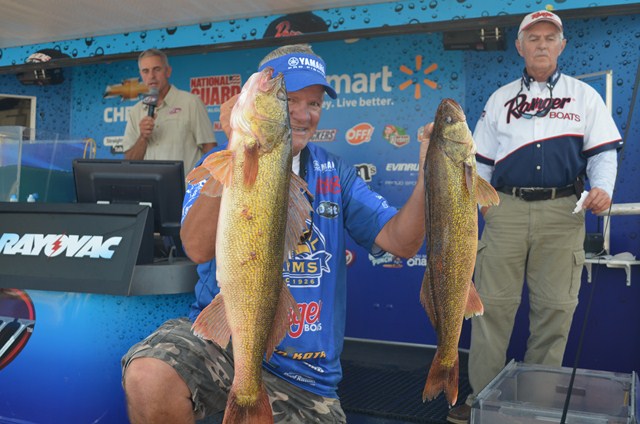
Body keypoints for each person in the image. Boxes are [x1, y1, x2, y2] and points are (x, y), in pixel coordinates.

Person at [121, 43, 431, 424]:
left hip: (307, 379)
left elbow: (402, 242)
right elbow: (197, 248)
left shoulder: (336, 174)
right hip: (222, 343)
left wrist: (428, 176)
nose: (303, 114)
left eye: (314, 103)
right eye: (290, 99)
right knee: (148, 377)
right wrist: (236, 150)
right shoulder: (218, 163)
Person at [447, 10, 623, 424]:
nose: (541, 44)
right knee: (490, 309)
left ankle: (537, 403)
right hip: (505, 211)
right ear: (519, 46)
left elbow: (603, 154)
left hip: (564, 212)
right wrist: (484, 207)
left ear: (562, 46)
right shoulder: (500, 98)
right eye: (533, 38)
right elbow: (480, 163)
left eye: (549, 38)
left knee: (555, 310)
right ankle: (483, 399)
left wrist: (603, 189)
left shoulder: (585, 96)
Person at [122, 48, 217, 173]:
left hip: (186, 185)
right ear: (141, 74)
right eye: (145, 71)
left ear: (168, 71)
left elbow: (210, 151)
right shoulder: (136, 111)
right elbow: (130, 162)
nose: (151, 76)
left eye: (157, 69)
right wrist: (143, 137)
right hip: (151, 185)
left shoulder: (191, 102)